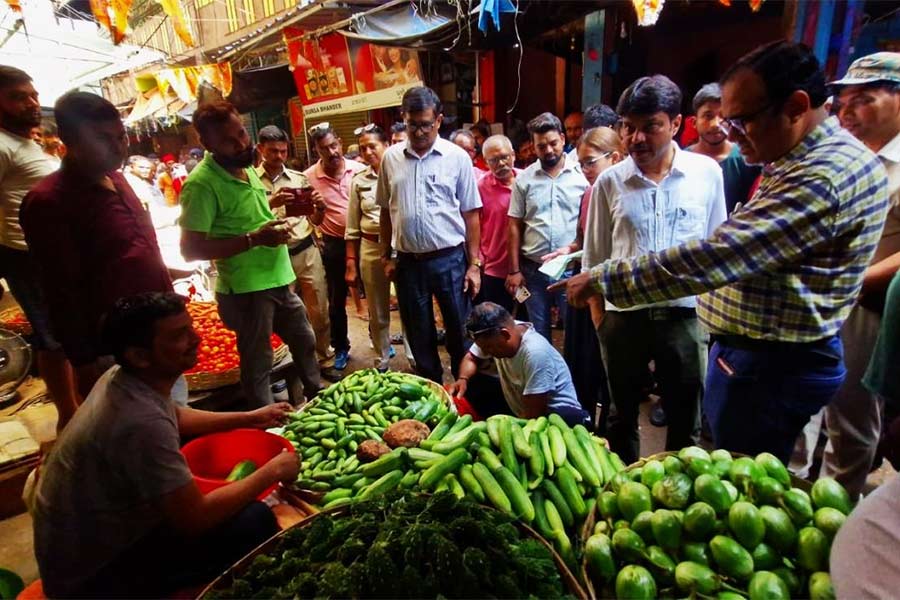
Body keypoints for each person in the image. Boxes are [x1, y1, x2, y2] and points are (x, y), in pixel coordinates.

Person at [553, 41, 890, 464]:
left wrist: (603, 279)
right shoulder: (798, 162)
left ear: (796, 107)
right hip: (745, 353)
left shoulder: (821, 176)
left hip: (770, 365)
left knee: (741, 468)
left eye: (743, 120)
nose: (727, 134)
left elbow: (715, 254)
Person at [33, 292, 298, 598]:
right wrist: (271, 471)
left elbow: (175, 413)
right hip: (93, 577)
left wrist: (249, 418)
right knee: (257, 521)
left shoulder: (122, 378)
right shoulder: (139, 423)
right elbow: (194, 519)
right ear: (140, 355)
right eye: (179, 335)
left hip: (93, 544)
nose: (196, 339)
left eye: (190, 328)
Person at [578, 75, 727, 464]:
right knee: (620, 414)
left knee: (686, 415)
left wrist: (706, 320)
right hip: (623, 319)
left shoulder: (706, 173)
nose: (636, 139)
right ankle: (625, 488)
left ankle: (680, 494)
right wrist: (601, 323)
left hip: (686, 316)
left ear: (676, 123)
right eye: (628, 127)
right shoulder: (610, 182)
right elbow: (594, 259)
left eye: (650, 127)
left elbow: (717, 249)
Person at [20, 92, 174, 402]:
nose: (118, 147)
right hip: (114, 348)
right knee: (136, 433)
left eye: (121, 137)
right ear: (69, 140)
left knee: (170, 418)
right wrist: (83, 361)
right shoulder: (49, 200)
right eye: (103, 139)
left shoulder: (118, 180)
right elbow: (60, 290)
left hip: (158, 331)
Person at [179, 101, 321, 406]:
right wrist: (253, 240)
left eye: (242, 133)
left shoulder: (245, 167)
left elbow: (240, 214)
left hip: (279, 278)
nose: (241, 143)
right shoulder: (201, 185)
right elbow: (190, 250)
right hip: (246, 289)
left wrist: (272, 201)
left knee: (305, 340)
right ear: (207, 144)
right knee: (259, 360)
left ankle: (317, 397)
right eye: (229, 141)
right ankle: (266, 419)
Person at [817, 52, 900, 497]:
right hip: (824, 300)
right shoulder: (846, 157)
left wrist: (855, 281)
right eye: (843, 102)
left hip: (870, 307)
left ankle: (839, 510)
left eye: (863, 100)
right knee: (813, 410)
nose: (847, 113)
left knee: (853, 416)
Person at [376, 86, 482, 382]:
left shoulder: (457, 157)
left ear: (438, 120)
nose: (419, 131)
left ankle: (465, 392)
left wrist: (474, 266)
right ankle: (432, 390)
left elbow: (471, 213)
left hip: (450, 260)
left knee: (460, 331)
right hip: (408, 263)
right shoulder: (390, 158)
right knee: (419, 333)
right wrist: (388, 254)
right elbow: (385, 210)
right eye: (412, 124)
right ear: (403, 119)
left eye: (425, 124)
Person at [0, 66, 79, 430]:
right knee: (53, 339)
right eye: (19, 97)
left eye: (33, 95)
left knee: (69, 334)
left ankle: (76, 406)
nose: (32, 103)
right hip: (26, 256)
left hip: (54, 253)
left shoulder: (25, 142)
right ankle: (68, 414)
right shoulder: (2, 146)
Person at [550, 127, 626, 432]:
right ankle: (582, 429)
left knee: (611, 372)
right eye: (580, 164)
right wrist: (568, 251)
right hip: (586, 289)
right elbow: (586, 240)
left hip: (611, 296)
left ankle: (608, 431)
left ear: (615, 157)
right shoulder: (591, 191)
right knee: (583, 366)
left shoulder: (622, 192)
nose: (585, 170)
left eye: (590, 162)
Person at [255, 125, 339, 381]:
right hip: (274, 256)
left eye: (282, 151)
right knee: (283, 317)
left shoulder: (298, 178)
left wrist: (321, 208)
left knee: (319, 311)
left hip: (306, 251)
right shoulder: (250, 182)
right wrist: (272, 202)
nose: (278, 156)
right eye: (272, 152)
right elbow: (248, 217)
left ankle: (325, 359)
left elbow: (313, 218)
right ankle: (291, 366)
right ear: (260, 150)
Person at [506, 112, 589, 341]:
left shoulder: (581, 175)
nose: (549, 150)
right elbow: (514, 225)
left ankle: (573, 375)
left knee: (574, 330)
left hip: (569, 268)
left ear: (563, 139)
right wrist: (514, 270)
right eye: (541, 146)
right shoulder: (524, 180)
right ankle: (545, 376)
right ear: (533, 146)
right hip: (533, 270)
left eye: (553, 143)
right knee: (538, 333)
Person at [450, 302, 589, 426]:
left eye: (488, 347)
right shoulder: (501, 331)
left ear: (505, 335)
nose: (486, 352)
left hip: (555, 415)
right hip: (521, 403)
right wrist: (463, 379)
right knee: (473, 385)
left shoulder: (535, 353)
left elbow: (534, 414)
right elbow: (471, 358)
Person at [303, 123, 365, 371]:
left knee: (374, 293)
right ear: (316, 150)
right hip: (335, 245)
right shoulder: (308, 178)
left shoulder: (359, 170)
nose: (331, 152)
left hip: (367, 242)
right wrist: (318, 209)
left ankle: (380, 340)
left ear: (339, 142)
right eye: (323, 149)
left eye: (333, 145)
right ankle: (341, 347)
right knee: (336, 300)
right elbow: (314, 221)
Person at [345, 124, 394, 371]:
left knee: (408, 306)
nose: (367, 152)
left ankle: (415, 353)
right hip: (370, 247)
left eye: (372, 146)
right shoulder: (358, 181)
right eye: (363, 148)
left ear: (386, 146)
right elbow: (352, 226)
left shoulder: (399, 173)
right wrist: (351, 262)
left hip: (400, 249)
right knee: (377, 308)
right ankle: (382, 356)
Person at [687, 83, 762, 214]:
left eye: (723, 116)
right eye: (708, 116)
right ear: (694, 122)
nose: (716, 124)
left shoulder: (747, 159)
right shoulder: (682, 161)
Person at [475, 135, 520, 313]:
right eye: (494, 160)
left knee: (526, 319)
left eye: (504, 157)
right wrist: (479, 260)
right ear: (486, 162)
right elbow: (474, 225)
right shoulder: (480, 187)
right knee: (498, 321)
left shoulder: (527, 181)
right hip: (494, 269)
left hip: (525, 268)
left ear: (513, 155)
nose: (501, 163)